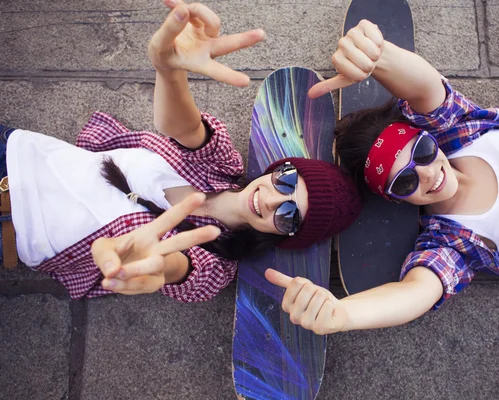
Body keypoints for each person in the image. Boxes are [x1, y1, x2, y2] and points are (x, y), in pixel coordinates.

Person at [0, 1, 361, 302]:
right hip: (15, 155)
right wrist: (168, 69)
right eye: (286, 182)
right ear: (279, 168)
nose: (271, 201)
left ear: (285, 235)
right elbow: (183, 127)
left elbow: (180, 268)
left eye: (288, 215)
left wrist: (156, 264)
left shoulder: (216, 267)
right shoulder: (220, 163)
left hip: (14, 233)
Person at [265, 19, 499, 335]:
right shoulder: (455, 242)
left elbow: (424, 86)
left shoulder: (461, 131)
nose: (427, 173)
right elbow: (416, 292)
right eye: (405, 182)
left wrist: (377, 55)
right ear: (394, 198)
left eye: (422, 150)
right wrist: (342, 315)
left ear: (428, 136)